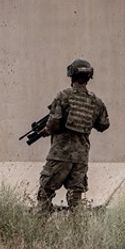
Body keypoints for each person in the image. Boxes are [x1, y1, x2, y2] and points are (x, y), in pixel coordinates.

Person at [37, 59, 110, 212]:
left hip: (60, 154)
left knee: (46, 192)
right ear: (89, 76)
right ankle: (78, 230)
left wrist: (45, 131)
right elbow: (103, 125)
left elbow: (54, 122)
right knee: (76, 197)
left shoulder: (63, 96)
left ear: (71, 75)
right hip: (81, 157)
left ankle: (39, 228)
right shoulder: (96, 102)